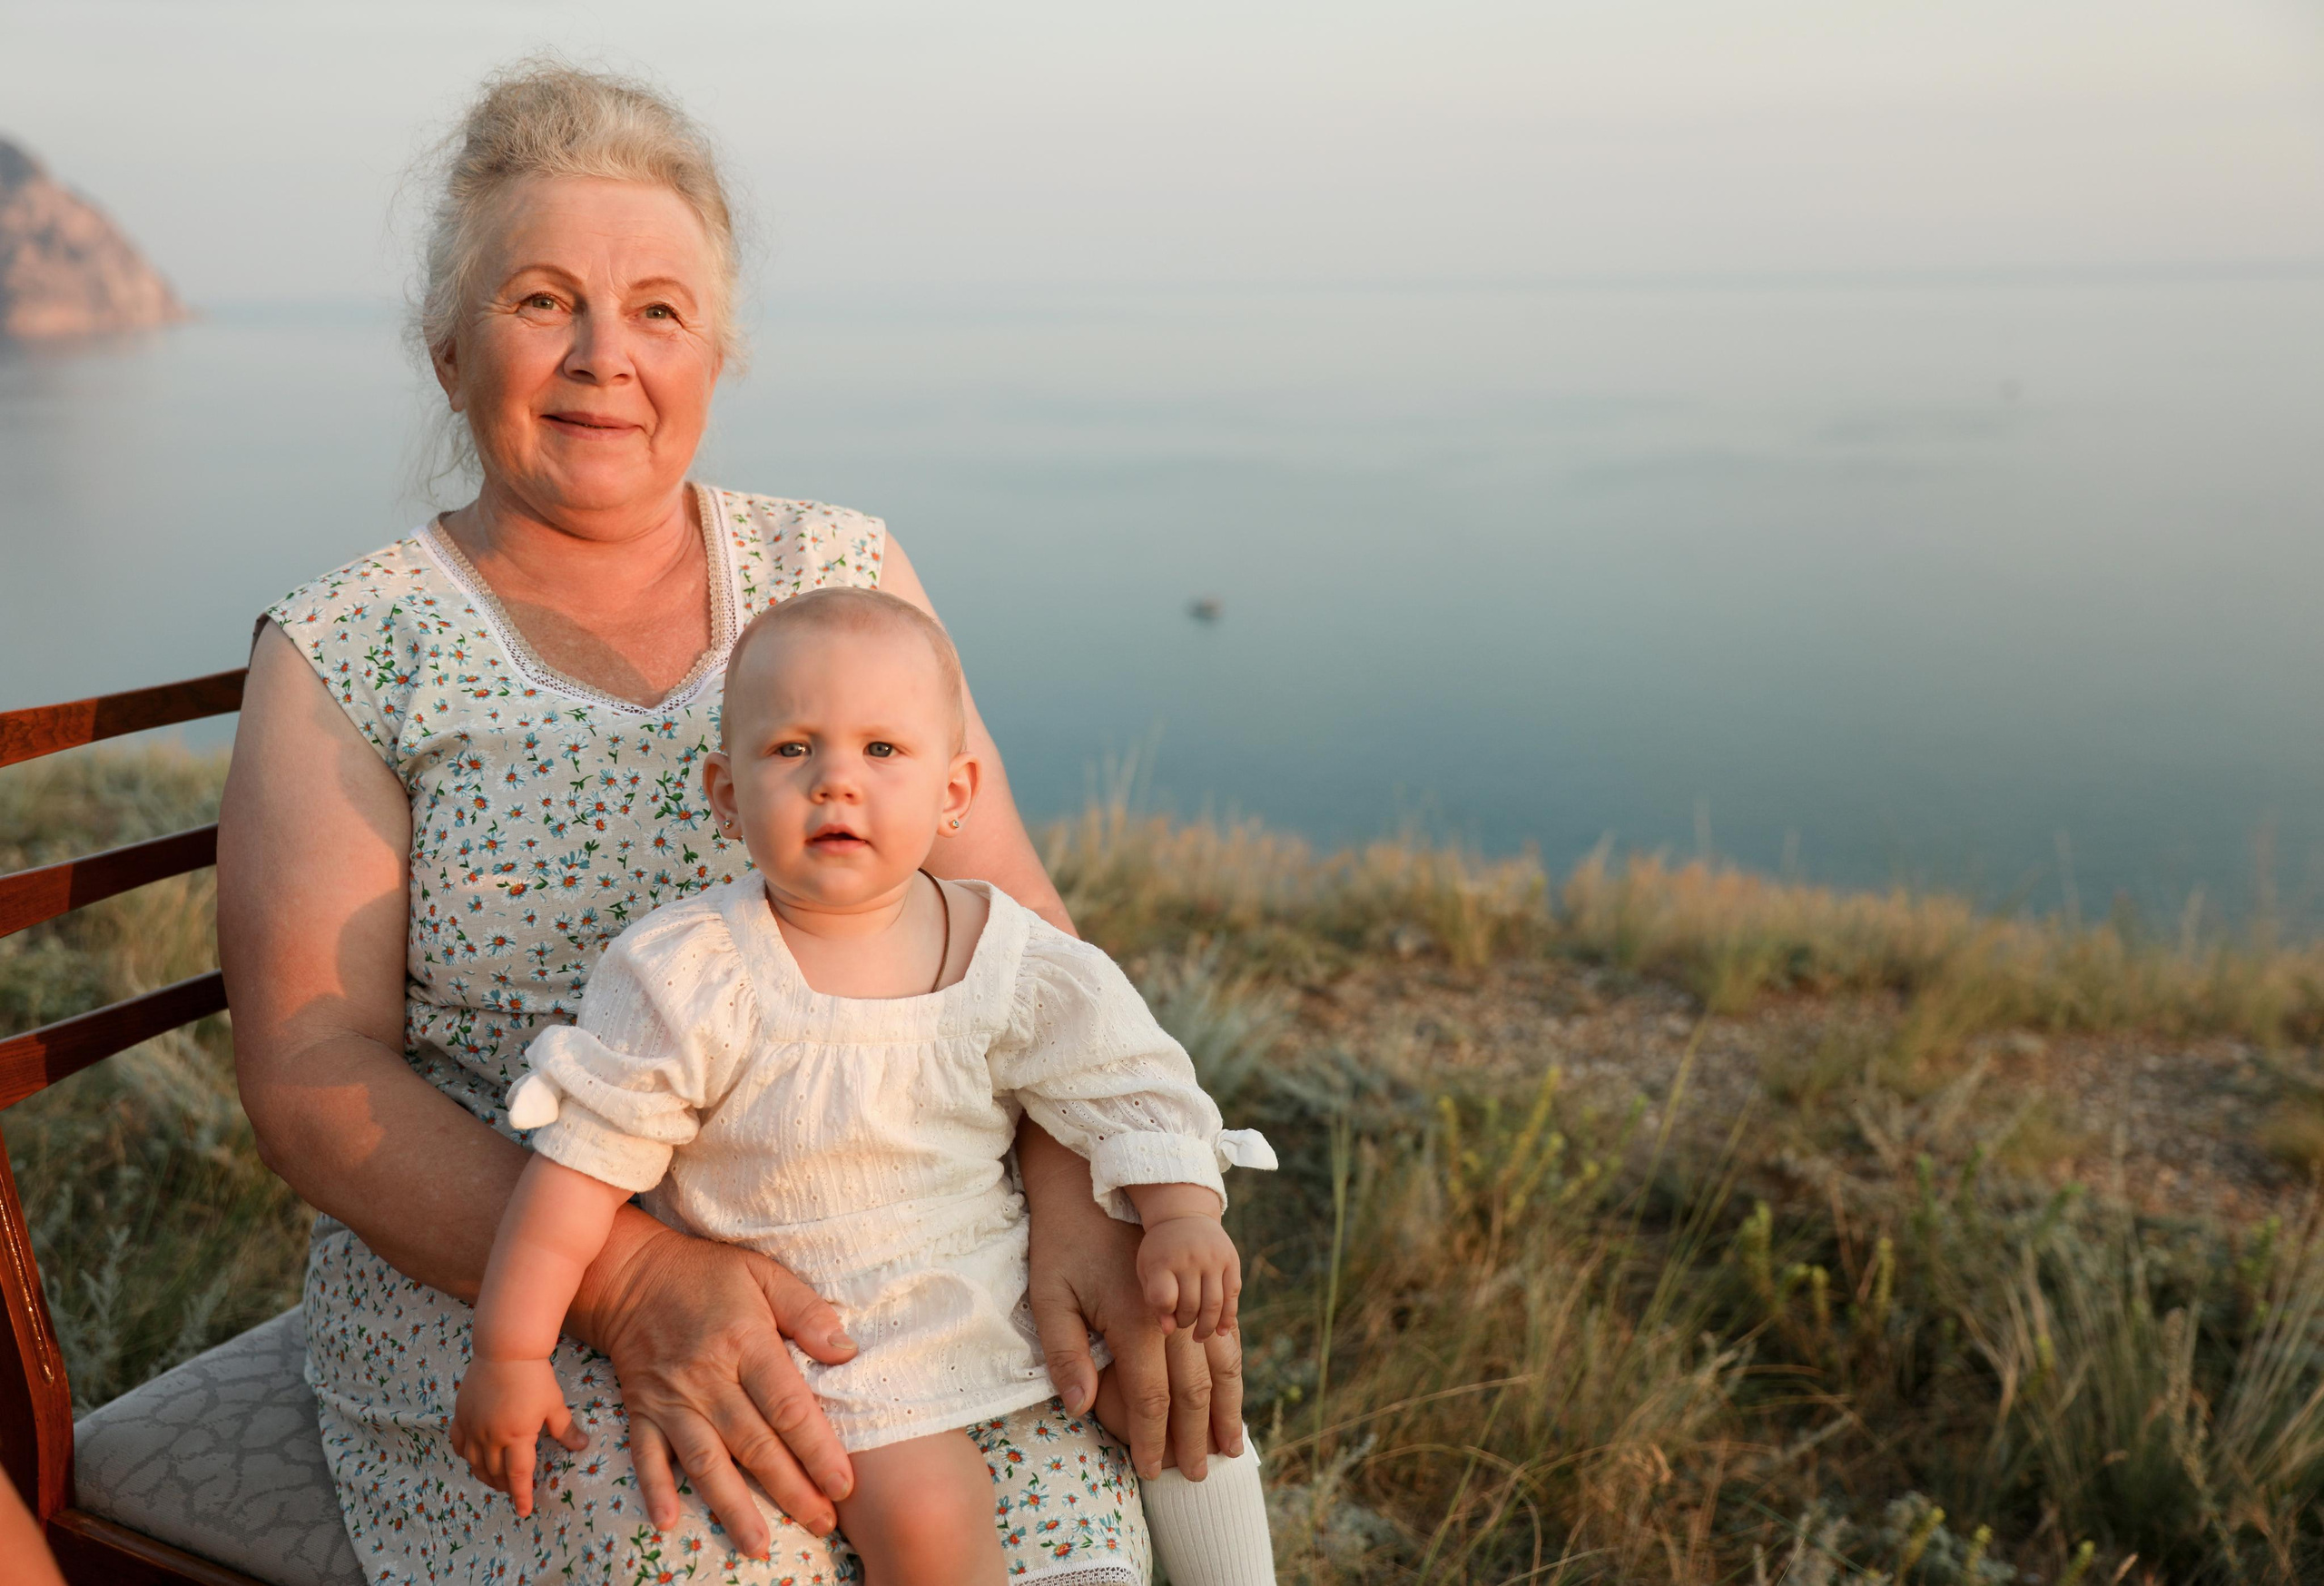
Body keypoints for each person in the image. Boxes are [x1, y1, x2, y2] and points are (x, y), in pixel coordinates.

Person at [218, 61, 1251, 1585]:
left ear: (717, 351)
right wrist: (631, 1277)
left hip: (906, 1245)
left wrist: (1068, 1201)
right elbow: (310, 1074)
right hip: (506, 1265)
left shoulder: (835, 562)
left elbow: (1020, 935)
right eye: (540, 302)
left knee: (1077, 1533)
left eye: (656, 311)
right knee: (701, 1555)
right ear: (447, 351)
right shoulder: (351, 645)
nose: (600, 360)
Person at [448, 588, 1277, 1583]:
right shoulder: (691, 972)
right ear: (725, 793)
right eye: (793, 748)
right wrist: (509, 1351)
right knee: (930, 1513)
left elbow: (1127, 1076)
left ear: (954, 793)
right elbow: (576, 1172)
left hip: (1000, 1280)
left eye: (883, 751)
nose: (837, 781)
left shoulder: (1002, 951)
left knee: (1192, 1424)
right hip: (840, 1335)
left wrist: (1182, 1210)